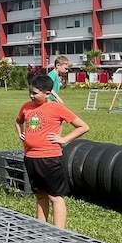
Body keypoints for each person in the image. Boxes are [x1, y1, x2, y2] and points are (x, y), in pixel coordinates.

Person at [15, 75, 89, 228]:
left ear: (47, 93)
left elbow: (83, 126)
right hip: (30, 157)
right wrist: (20, 133)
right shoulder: (27, 106)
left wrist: (64, 139)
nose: (31, 96)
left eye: (35, 93)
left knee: (55, 196)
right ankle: (42, 229)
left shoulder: (56, 108)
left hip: (49, 158)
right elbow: (18, 121)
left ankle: (59, 232)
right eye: (30, 92)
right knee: (40, 195)